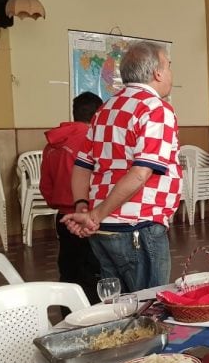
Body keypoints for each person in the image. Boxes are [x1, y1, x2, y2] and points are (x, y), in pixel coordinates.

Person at [62, 41, 181, 292]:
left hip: (104, 231)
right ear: (157, 72)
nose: (170, 73)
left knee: (119, 308)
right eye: (169, 66)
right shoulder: (156, 109)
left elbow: (83, 166)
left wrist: (84, 207)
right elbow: (140, 173)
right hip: (139, 227)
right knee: (150, 308)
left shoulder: (105, 109)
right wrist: (94, 216)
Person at [40, 92, 103, 304]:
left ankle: (68, 322)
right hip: (88, 219)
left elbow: (45, 186)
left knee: (69, 273)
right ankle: (94, 325)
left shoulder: (52, 144)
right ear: (97, 115)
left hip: (63, 218)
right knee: (93, 276)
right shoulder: (93, 140)